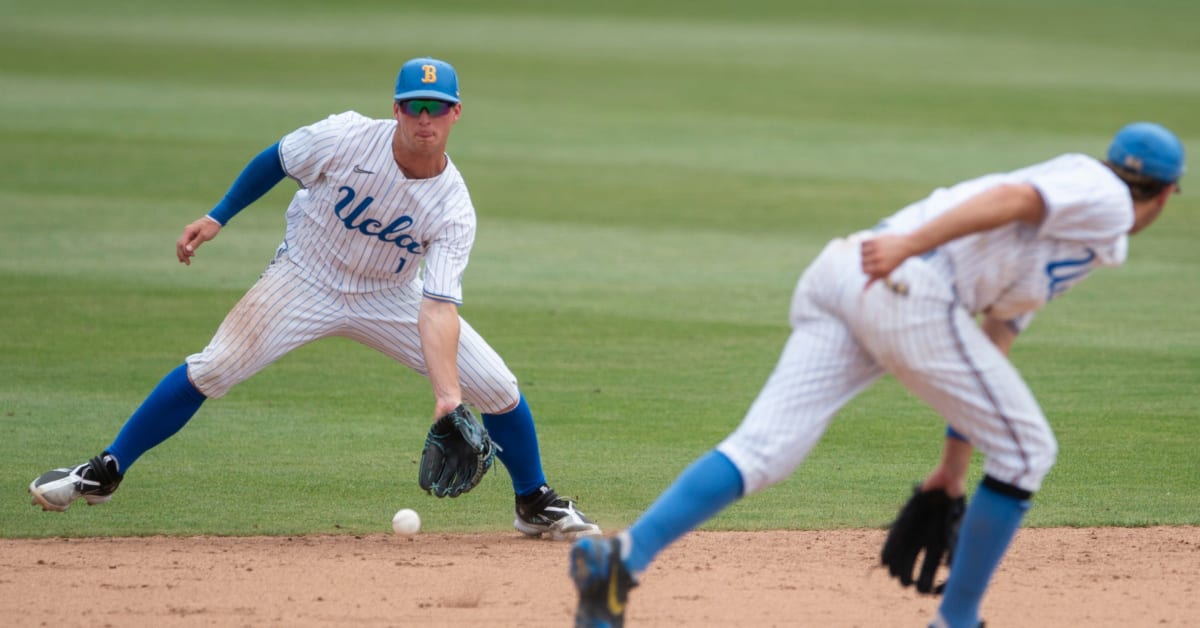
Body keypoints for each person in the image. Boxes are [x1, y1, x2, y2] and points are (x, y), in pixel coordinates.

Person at [568, 122, 1186, 627]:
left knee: (764, 450)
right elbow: (1011, 201)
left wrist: (951, 468)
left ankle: (623, 558)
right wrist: (911, 246)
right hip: (904, 277)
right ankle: (958, 619)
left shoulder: (1083, 231)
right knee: (1029, 452)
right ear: (1165, 193)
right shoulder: (1102, 194)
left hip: (848, 274)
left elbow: (993, 341)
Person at [29, 56, 601, 542]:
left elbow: (438, 306)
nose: (424, 119)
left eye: (436, 107)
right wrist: (217, 216)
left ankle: (533, 503)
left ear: (455, 113)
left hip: (389, 295)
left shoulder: (453, 205)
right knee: (216, 366)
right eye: (413, 106)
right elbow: (276, 159)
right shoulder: (345, 135)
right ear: (397, 108)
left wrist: (448, 397)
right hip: (306, 277)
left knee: (497, 387)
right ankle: (105, 470)